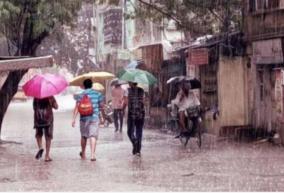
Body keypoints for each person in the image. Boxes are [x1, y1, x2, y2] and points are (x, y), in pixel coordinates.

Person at [72, 79, 104, 161]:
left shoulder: (80, 95)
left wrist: (73, 119)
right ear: (91, 85)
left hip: (83, 118)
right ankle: (92, 155)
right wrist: (101, 117)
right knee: (93, 136)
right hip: (94, 117)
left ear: (84, 86)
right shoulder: (98, 94)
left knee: (84, 136)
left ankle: (83, 153)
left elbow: (77, 108)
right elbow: (101, 106)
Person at [33, 96, 58, 162]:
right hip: (48, 119)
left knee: (38, 135)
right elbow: (56, 107)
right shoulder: (50, 96)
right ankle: (47, 156)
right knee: (48, 137)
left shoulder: (36, 97)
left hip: (38, 119)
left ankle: (40, 147)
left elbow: (34, 108)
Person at [123, 82, 145, 156]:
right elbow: (144, 102)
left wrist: (122, 108)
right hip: (141, 113)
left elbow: (125, 102)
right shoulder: (142, 90)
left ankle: (134, 142)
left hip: (131, 113)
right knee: (139, 131)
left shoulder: (127, 90)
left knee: (130, 132)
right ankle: (138, 149)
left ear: (130, 83)